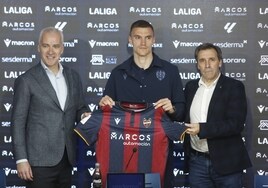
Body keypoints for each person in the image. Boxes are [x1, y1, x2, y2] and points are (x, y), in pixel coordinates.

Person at [99, 20, 185, 187]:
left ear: (154, 40)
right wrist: (103, 105)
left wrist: (172, 109)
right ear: (130, 40)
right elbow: (105, 114)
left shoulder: (170, 71)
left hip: (159, 154)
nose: (143, 43)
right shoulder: (118, 73)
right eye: (138, 37)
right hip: (123, 153)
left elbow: (181, 112)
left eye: (148, 37)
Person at [11, 27, 89, 188]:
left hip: (66, 159)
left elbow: (80, 107)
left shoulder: (73, 77)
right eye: (46, 45)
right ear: (38, 47)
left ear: (62, 48)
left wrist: (83, 115)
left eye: (55, 46)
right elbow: (18, 123)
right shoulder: (26, 80)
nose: (51, 51)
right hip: (37, 164)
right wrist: (21, 159)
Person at [183, 43, 252, 188]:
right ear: (197, 65)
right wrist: (171, 110)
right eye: (202, 60)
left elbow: (235, 124)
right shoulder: (190, 87)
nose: (207, 65)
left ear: (219, 62)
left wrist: (202, 129)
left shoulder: (234, 86)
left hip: (227, 163)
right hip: (197, 162)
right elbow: (183, 116)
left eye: (212, 59)